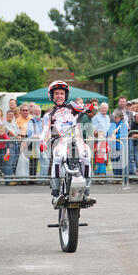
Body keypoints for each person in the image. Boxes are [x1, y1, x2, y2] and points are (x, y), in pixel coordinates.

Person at [39, 80, 96, 208]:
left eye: (62, 93)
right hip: (61, 140)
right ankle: (55, 194)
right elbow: (45, 131)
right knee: (58, 156)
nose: (59, 96)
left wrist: (90, 107)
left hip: (77, 139)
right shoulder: (49, 115)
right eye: (57, 93)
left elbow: (85, 107)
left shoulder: (73, 106)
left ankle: (86, 192)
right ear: (51, 96)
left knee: (86, 154)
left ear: (66, 95)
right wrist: (42, 142)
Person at [27, 106, 49, 182]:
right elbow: (30, 134)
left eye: (38, 111)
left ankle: (43, 180)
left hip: (44, 144)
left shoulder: (44, 120)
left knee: (45, 162)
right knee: (34, 163)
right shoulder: (31, 121)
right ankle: (36, 179)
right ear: (33, 112)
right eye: (35, 111)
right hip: (35, 144)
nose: (37, 112)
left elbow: (47, 131)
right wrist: (41, 137)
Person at [107, 109, 129, 182]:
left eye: (117, 117)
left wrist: (116, 136)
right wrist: (112, 133)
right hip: (113, 147)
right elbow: (109, 133)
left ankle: (122, 178)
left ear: (120, 118)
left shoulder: (123, 125)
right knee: (115, 163)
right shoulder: (112, 124)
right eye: (115, 117)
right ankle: (116, 178)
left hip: (121, 147)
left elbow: (124, 134)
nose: (116, 118)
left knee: (122, 163)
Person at [3, 110, 23, 184]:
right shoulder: (4, 123)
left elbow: (18, 132)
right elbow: (10, 132)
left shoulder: (14, 123)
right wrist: (17, 137)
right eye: (9, 114)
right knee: (9, 163)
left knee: (14, 162)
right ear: (6, 115)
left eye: (12, 114)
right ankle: (7, 181)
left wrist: (20, 136)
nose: (11, 116)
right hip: (9, 144)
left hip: (16, 144)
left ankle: (12, 178)